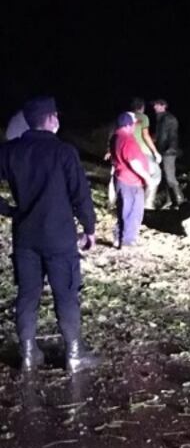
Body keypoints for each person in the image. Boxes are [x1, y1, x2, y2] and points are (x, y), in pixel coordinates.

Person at [0, 96, 99, 373]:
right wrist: (89, 228)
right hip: (59, 237)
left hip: (25, 237)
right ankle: (74, 355)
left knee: (27, 295)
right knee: (66, 294)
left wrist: (8, 210)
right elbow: (81, 195)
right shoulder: (64, 152)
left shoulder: (10, 151)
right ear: (51, 118)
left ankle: (29, 354)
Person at [110, 112, 151, 247]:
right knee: (133, 211)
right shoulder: (127, 139)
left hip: (121, 178)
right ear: (128, 125)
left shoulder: (116, 137)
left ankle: (120, 237)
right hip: (130, 181)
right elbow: (134, 162)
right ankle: (127, 240)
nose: (135, 127)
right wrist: (146, 177)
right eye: (133, 124)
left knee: (124, 210)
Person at [151, 99, 184, 208]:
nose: (154, 107)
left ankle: (179, 200)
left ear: (163, 106)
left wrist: (170, 149)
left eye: (156, 105)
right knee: (165, 176)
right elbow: (159, 136)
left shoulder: (169, 118)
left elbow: (173, 135)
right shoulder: (161, 119)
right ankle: (170, 201)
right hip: (162, 151)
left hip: (168, 152)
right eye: (154, 105)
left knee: (170, 177)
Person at [130, 98, 163, 209]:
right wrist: (155, 152)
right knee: (156, 175)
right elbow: (145, 135)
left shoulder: (125, 117)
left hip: (128, 152)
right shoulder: (143, 117)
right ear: (142, 108)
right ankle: (148, 204)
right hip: (143, 151)